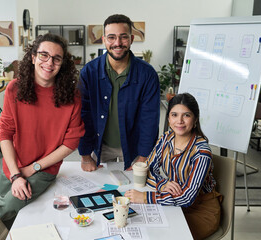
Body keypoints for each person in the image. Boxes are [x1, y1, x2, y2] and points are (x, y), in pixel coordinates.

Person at [0, 33, 85, 226]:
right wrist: (16, 174)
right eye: (44, 55)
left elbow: (71, 143)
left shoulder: (72, 97)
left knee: (5, 208)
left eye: (56, 58)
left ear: (62, 64)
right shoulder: (14, 89)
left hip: (44, 169)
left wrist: (33, 168)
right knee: (6, 220)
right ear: (33, 58)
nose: (49, 62)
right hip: (13, 166)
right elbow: (6, 133)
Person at [124, 93, 221, 240]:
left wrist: (145, 197)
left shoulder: (202, 152)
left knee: (164, 236)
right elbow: (147, 169)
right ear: (169, 119)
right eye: (174, 115)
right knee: (141, 229)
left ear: (195, 119)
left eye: (186, 115)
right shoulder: (166, 138)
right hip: (172, 202)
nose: (180, 121)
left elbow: (187, 198)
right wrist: (163, 184)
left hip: (200, 209)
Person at [78, 14, 160, 171]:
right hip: (100, 146)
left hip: (133, 147)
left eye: (123, 37)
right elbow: (83, 115)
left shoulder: (147, 74)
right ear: (103, 40)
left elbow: (149, 119)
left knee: (134, 192)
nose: (117, 43)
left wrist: (143, 157)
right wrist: (85, 155)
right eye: (111, 37)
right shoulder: (89, 72)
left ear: (131, 38)